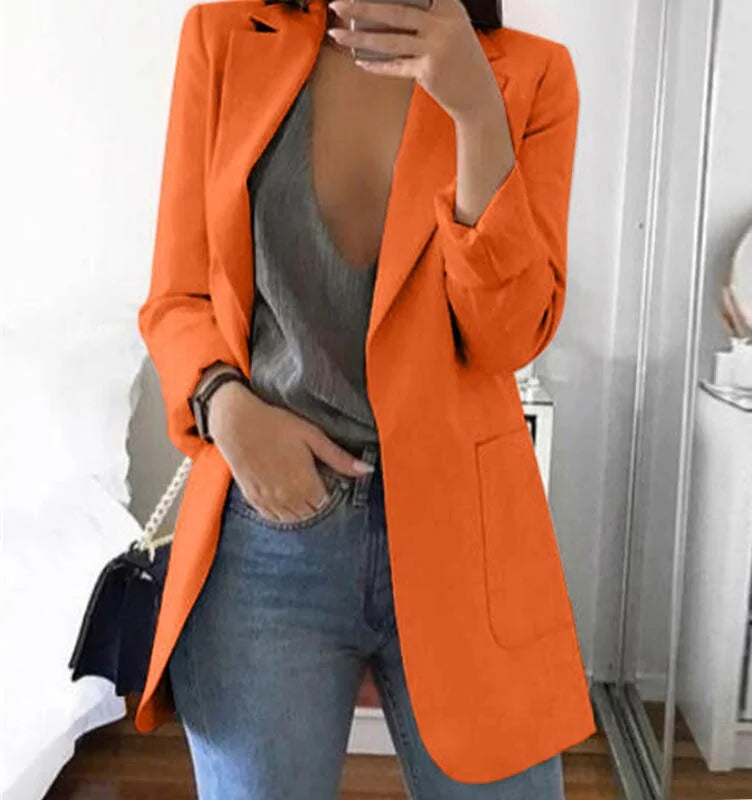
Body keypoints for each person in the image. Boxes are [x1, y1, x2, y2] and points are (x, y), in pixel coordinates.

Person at [143, 0, 581, 796]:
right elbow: (177, 297)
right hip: (269, 528)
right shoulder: (225, 37)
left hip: (464, 536)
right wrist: (224, 404)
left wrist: (479, 114)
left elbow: (509, 336)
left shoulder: (530, 74)